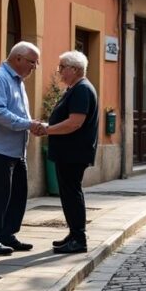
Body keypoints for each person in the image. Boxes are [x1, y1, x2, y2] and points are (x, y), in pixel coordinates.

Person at [0, 41, 44, 255]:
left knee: (17, 195)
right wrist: (29, 124)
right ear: (17, 59)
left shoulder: (17, 81)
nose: (34, 68)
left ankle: (7, 235)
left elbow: (16, 113)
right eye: (32, 63)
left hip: (16, 149)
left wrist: (29, 123)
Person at [36, 50, 99, 254]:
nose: (59, 71)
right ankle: (74, 234)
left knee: (71, 193)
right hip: (69, 152)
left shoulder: (81, 89)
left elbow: (74, 123)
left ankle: (79, 238)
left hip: (73, 152)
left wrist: (48, 129)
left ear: (75, 69)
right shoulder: (76, 88)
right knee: (69, 193)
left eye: (62, 67)